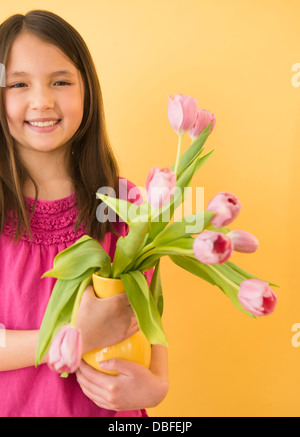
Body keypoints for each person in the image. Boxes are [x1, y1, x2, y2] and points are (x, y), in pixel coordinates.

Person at [0, 10, 168, 417]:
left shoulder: (126, 205)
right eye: (19, 84)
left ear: (86, 90)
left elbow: (149, 318)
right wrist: (72, 336)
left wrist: (157, 387)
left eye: (60, 81)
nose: (42, 100)